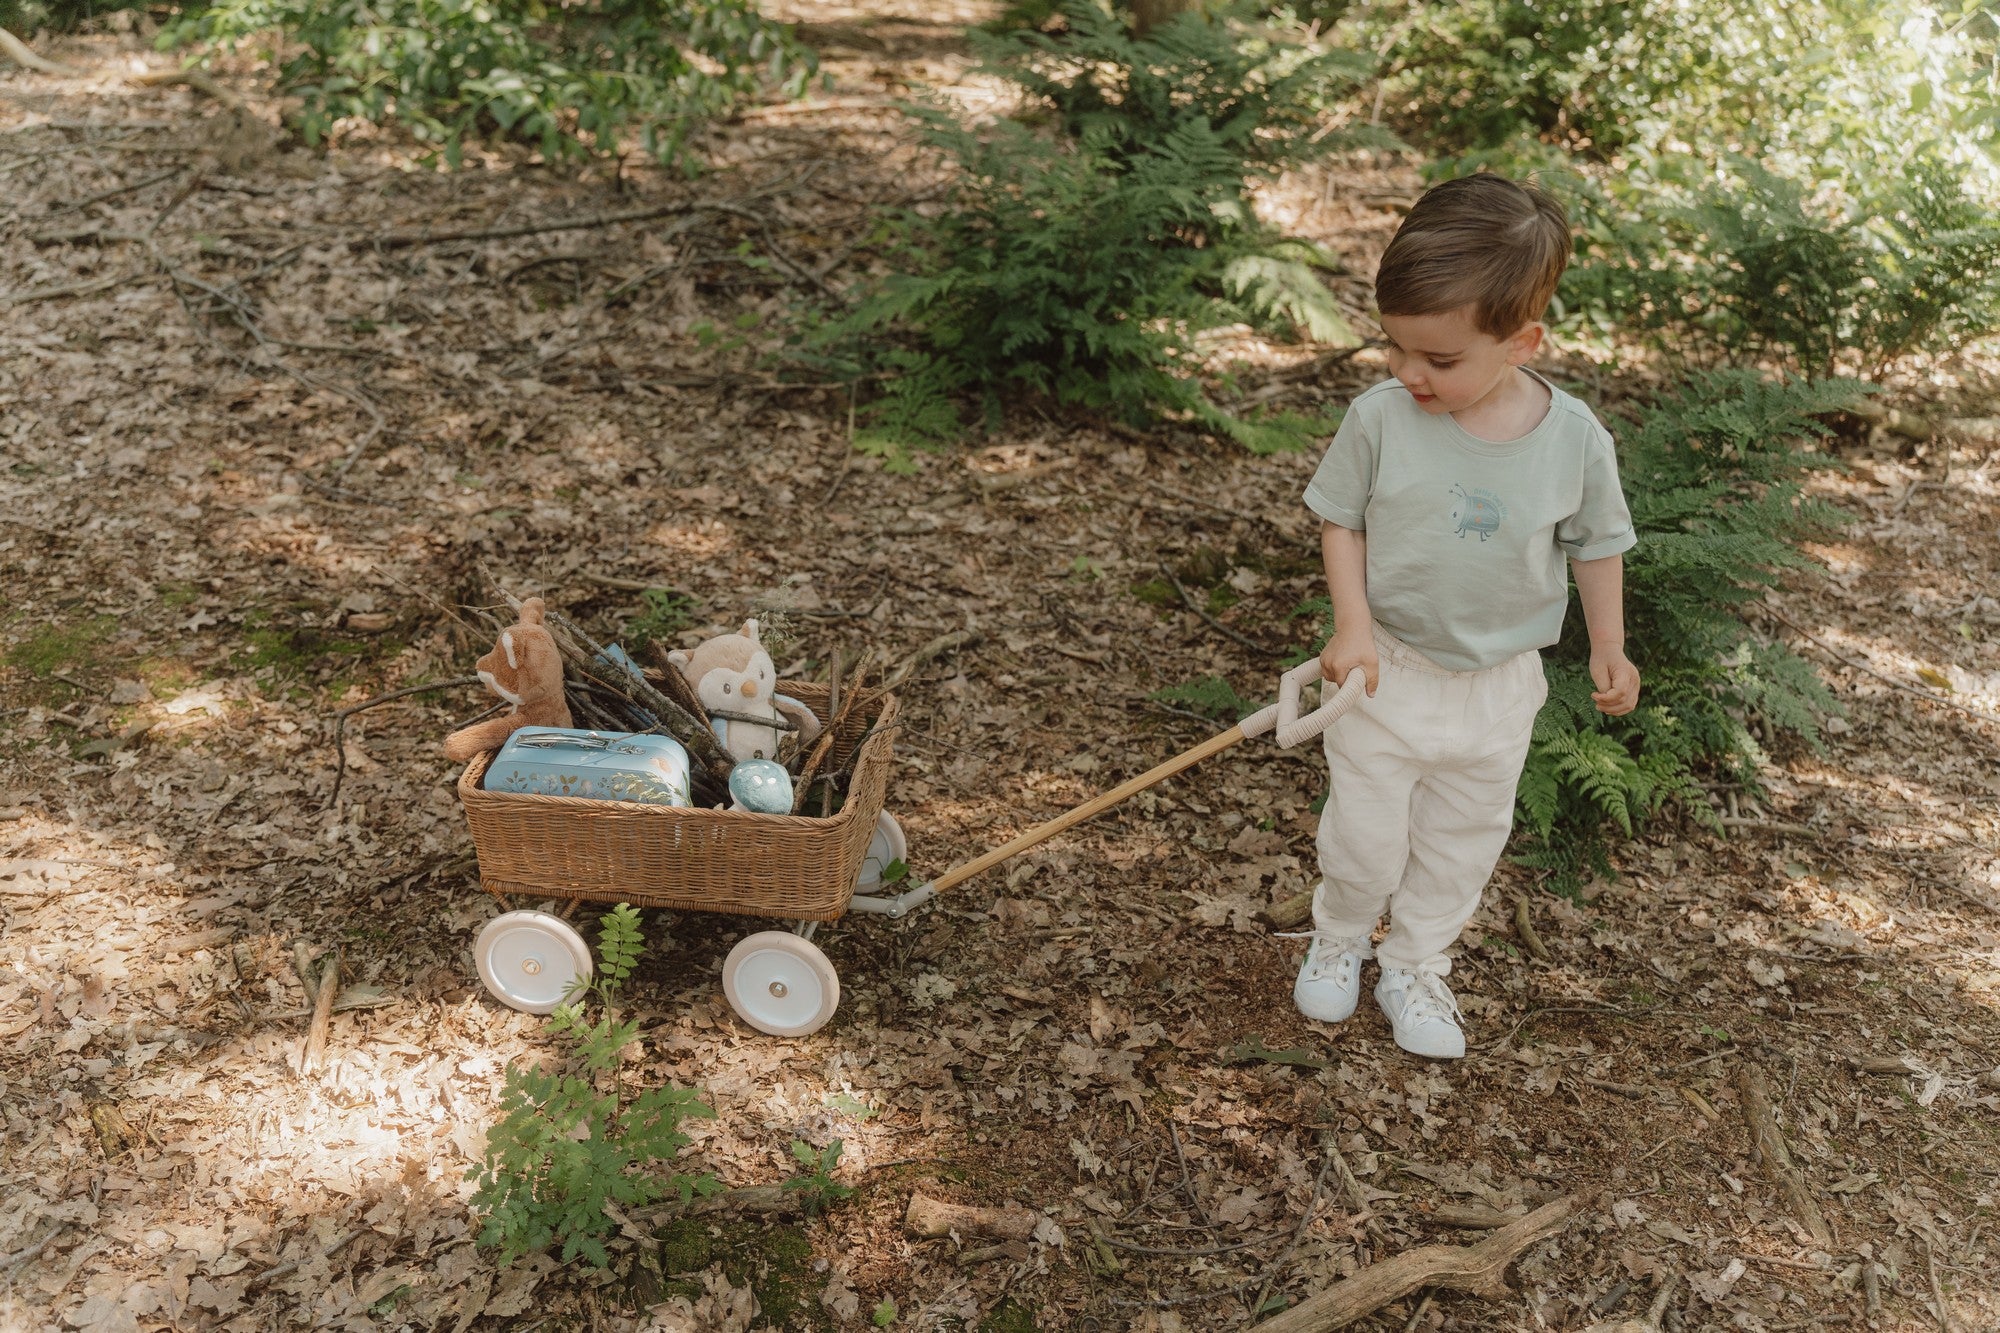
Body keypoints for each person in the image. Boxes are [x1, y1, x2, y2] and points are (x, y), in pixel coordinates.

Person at [1293, 173, 1640, 1059]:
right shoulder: (1380, 419)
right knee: (1365, 837)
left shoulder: (1574, 439)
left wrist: (1609, 643)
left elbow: (1597, 543)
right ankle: (1338, 935)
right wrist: (1353, 626)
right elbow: (1343, 519)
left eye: (1440, 360)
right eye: (1396, 349)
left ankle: (1415, 962)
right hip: (1388, 673)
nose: (1411, 373)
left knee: (1461, 846)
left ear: (1522, 342)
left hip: (1499, 689)